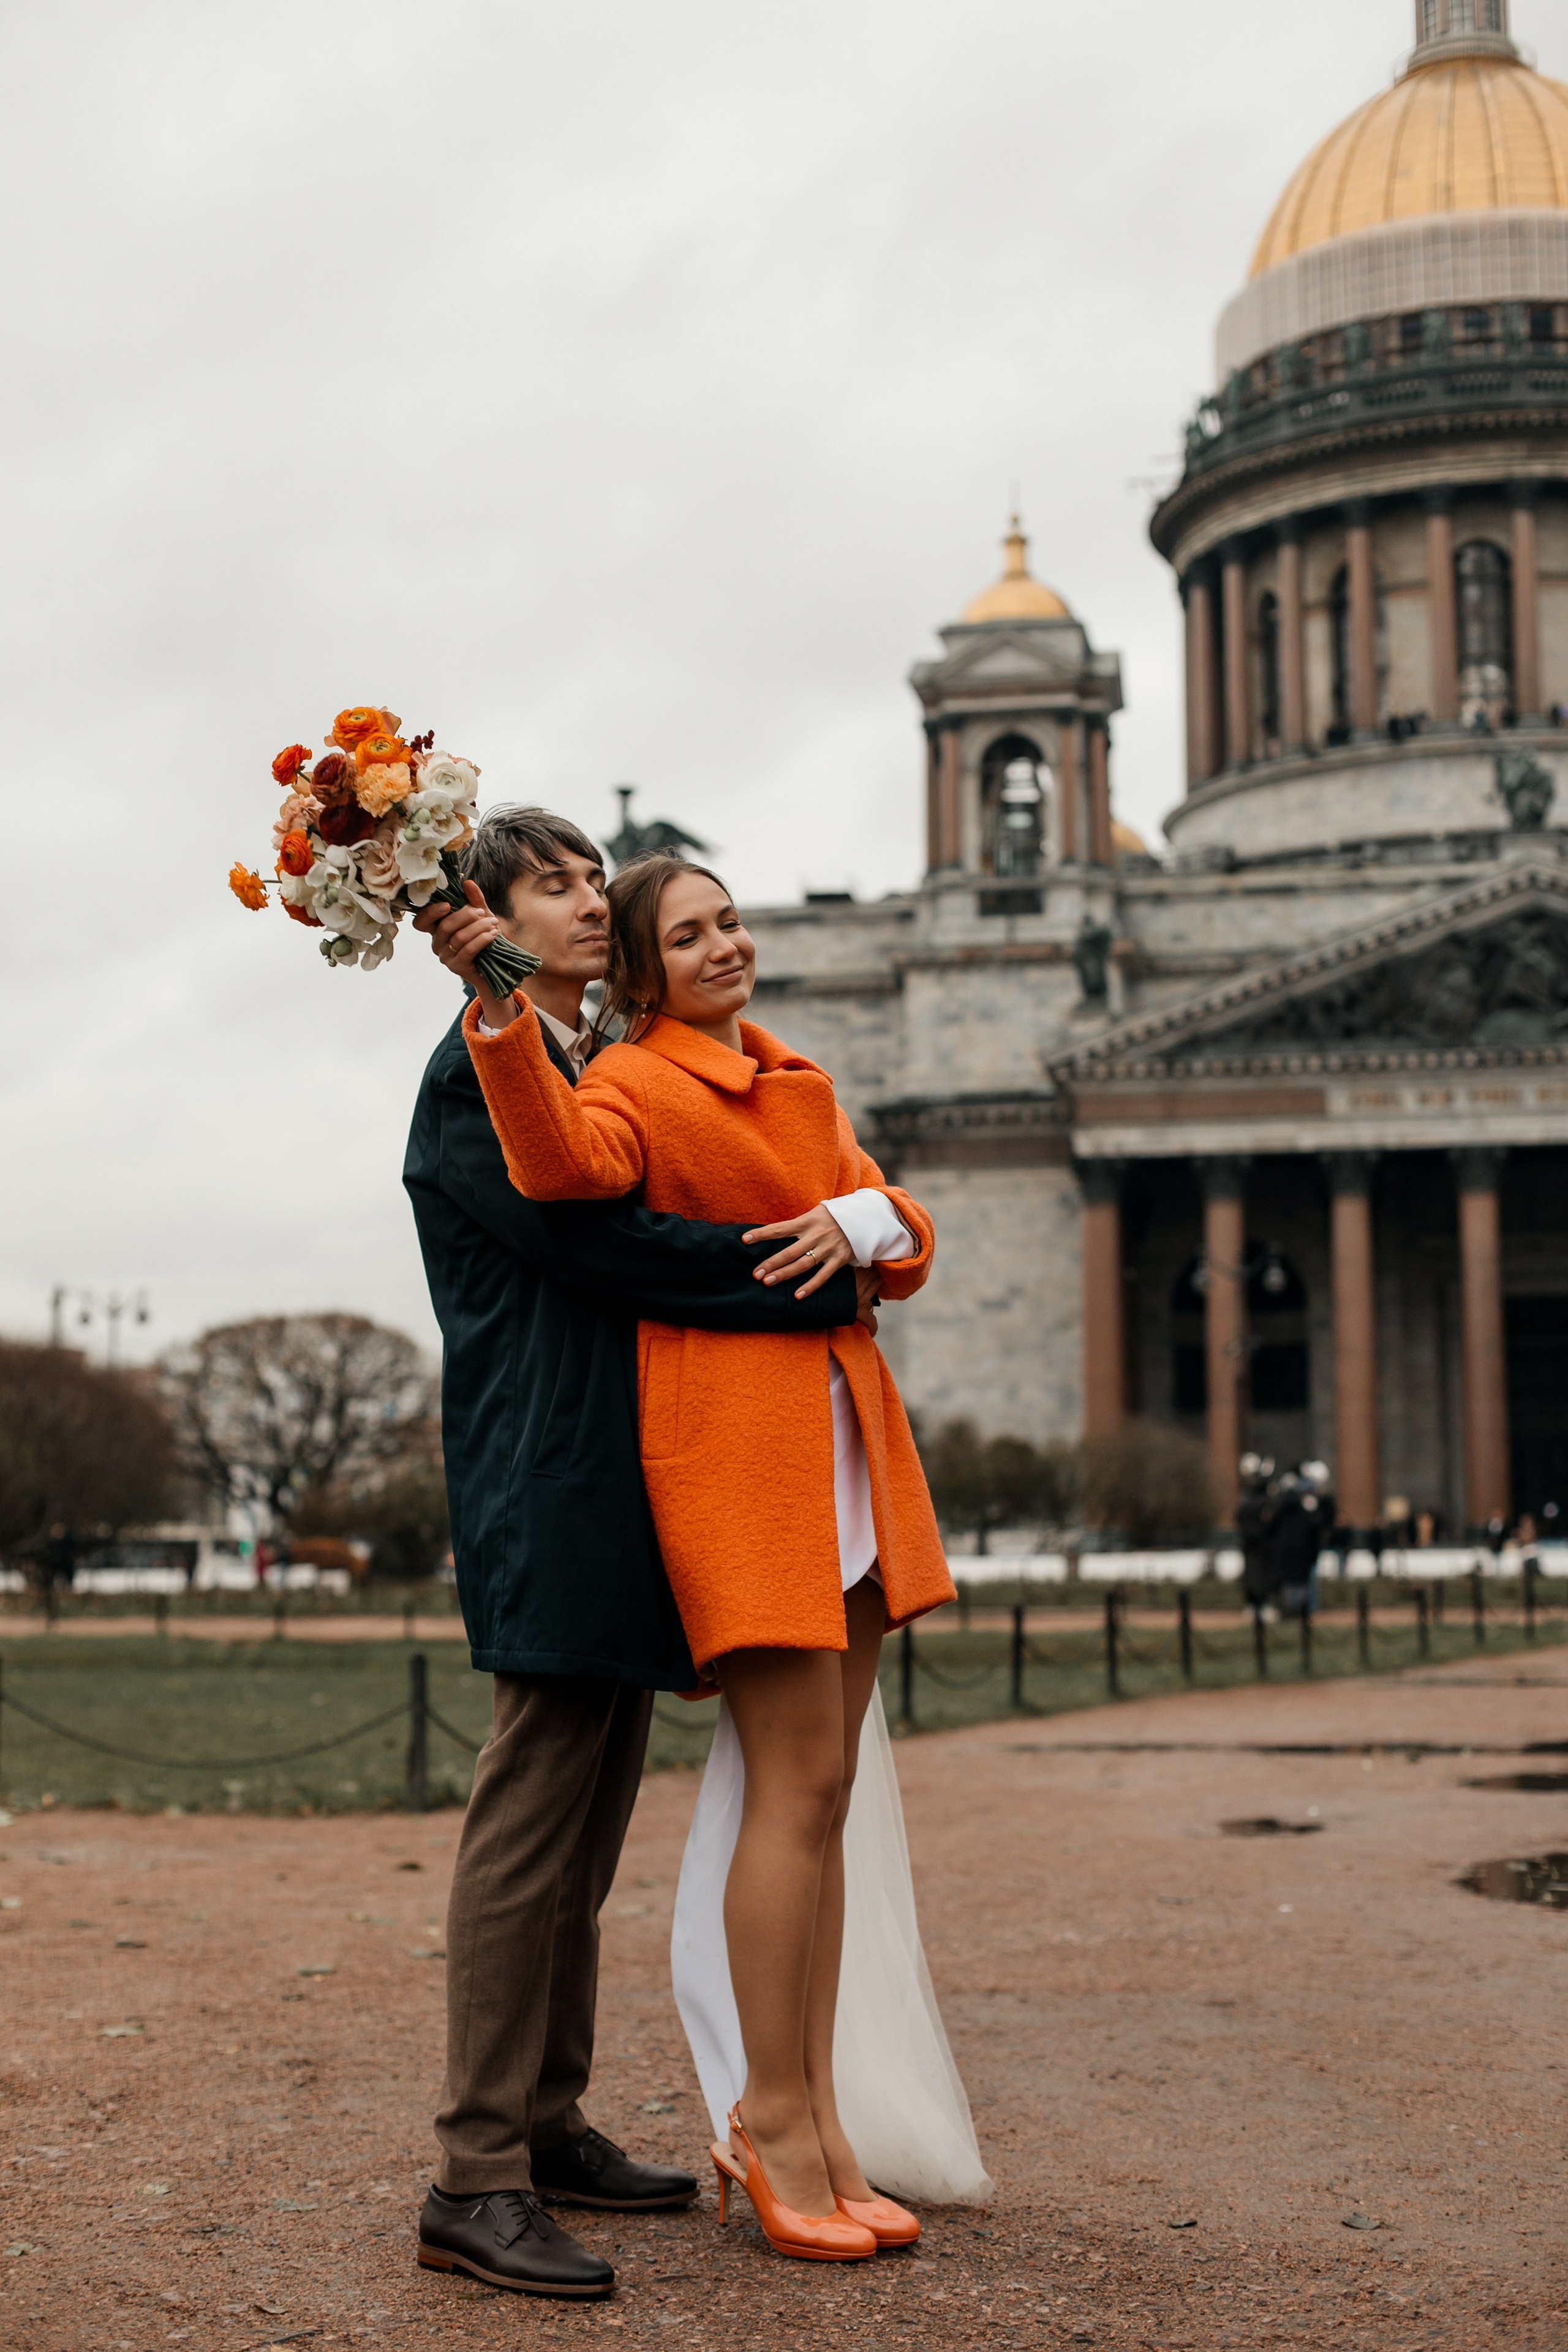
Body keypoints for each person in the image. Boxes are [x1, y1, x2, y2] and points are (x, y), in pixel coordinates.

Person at [451, 851, 979, 2263]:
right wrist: (497, 1014)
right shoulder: (627, 1081)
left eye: (729, 921)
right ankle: (772, 2125)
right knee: (792, 1796)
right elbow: (560, 1164)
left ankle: (813, 2121)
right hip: (746, 1470)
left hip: (845, 1456)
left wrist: (870, 1220)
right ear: (641, 977)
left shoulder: (795, 1078)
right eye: (686, 938)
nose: (725, 947)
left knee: (822, 1786)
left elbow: (900, 1230)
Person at [403, 808, 870, 2302]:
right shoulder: (481, 1071)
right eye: (556, 887)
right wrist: (809, 1263)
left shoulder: (574, 1061)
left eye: (596, 880)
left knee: (588, 1821)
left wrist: (856, 1222)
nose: (592, 901)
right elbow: (607, 1248)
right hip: (548, 1478)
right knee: (530, 1817)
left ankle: (546, 2122)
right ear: (486, 920)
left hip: (614, 1473)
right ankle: (474, 2174)